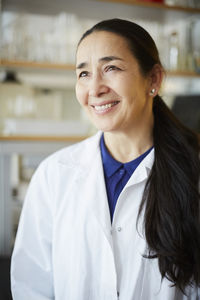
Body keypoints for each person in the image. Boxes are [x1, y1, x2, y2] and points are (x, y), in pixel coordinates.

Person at [11, 18, 200, 300]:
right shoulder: (54, 174)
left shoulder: (193, 173)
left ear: (154, 79)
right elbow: (31, 286)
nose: (95, 88)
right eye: (83, 74)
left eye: (111, 68)